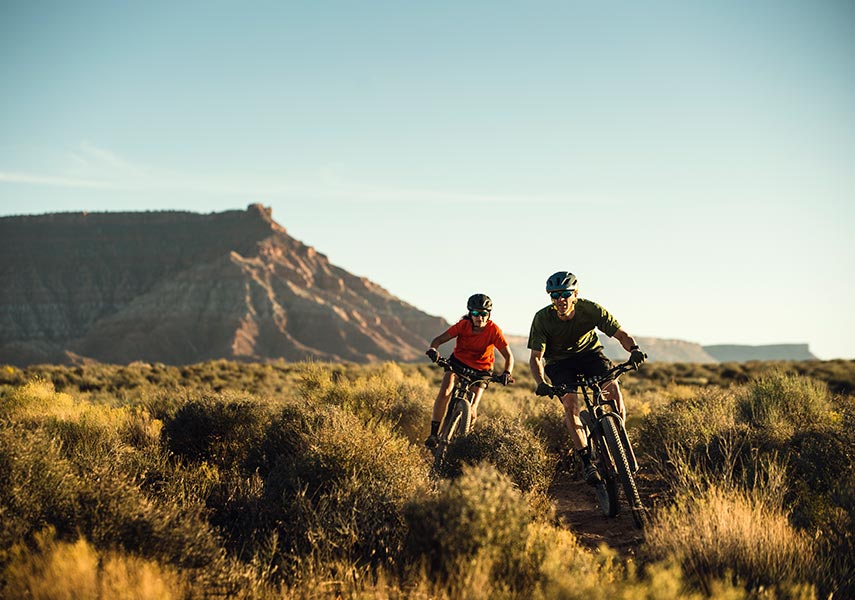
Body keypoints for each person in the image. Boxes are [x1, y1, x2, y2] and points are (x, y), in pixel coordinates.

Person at [527, 271, 646, 484]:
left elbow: (621, 335)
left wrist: (634, 350)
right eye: (554, 295)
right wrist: (541, 383)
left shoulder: (590, 309)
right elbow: (536, 357)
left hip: (590, 354)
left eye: (565, 293)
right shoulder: (542, 319)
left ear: (575, 293)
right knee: (570, 404)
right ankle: (587, 461)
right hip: (559, 362)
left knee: (612, 388)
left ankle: (619, 440)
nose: (560, 299)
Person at [424, 293, 514, 449]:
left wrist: (507, 372)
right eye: (475, 313)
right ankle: (433, 434)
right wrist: (433, 350)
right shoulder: (463, 325)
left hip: (482, 370)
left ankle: (463, 444)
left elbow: (508, 356)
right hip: (458, 363)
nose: (480, 317)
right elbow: (438, 340)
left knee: (472, 409)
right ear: (470, 314)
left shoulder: (494, 331)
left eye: (483, 314)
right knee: (446, 390)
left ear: (489, 315)